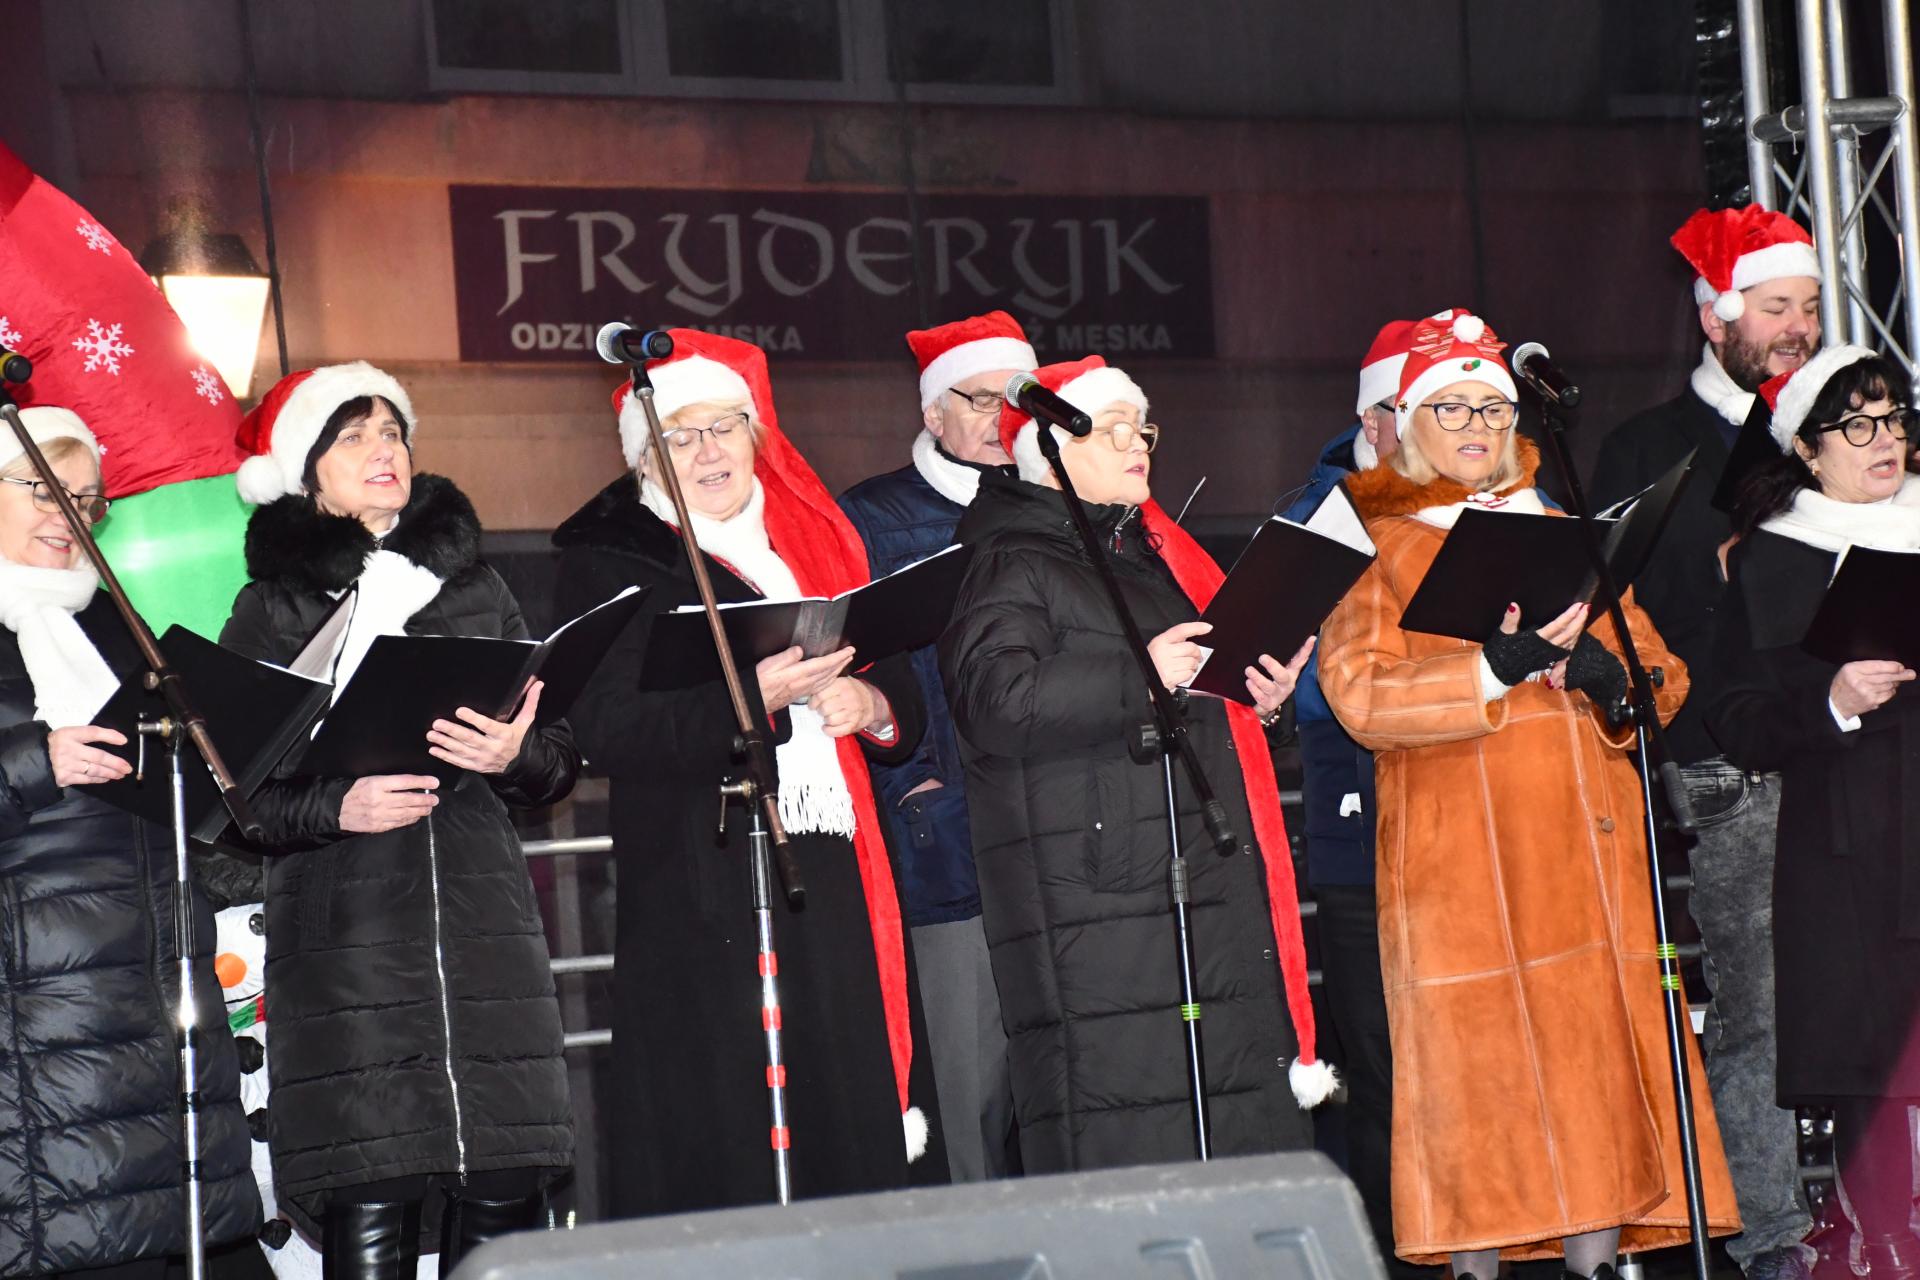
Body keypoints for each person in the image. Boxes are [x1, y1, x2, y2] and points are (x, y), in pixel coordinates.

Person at [1318, 310, 1740, 1279]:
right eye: (1453, 406)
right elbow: (1360, 695)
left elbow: (1662, 678)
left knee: (1593, 1080)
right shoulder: (1374, 542)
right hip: (1459, 869)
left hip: (1584, 858)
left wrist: (1605, 678)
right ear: (1409, 422)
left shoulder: (1565, 531)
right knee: (1479, 1090)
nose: (1477, 424)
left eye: (1493, 407)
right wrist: (1488, 670)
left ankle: (1597, 1268)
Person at [551, 330, 941, 1216]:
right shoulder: (613, 556)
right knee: (724, 1119)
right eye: (681, 436)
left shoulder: (815, 538)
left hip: (828, 860)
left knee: (839, 1089)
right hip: (700, 870)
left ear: (755, 433)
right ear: (645, 456)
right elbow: (603, 727)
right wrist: (746, 702)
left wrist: (872, 706)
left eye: (724, 427)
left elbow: (900, 681)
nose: (708, 451)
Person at [219, 363, 578, 1278]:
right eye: (354, 436)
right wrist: (337, 804)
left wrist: (512, 754)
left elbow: (556, 762)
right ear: (308, 472)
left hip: (484, 929)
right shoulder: (271, 608)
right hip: (350, 933)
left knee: (502, 1182)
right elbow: (235, 796)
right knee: (373, 1182)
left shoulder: (476, 587)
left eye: (393, 432)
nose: (383, 449)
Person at [938, 354, 1330, 1174]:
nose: (1135, 445)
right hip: (1100, 902)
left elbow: (1186, 694)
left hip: (1186, 880)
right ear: (1049, 451)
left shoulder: (1143, 556)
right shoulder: (1011, 558)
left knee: (1226, 1126)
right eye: (1110, 429)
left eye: (1141, 429)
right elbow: (994, 699)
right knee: (1130, 1132)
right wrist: (1141, 674)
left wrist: (1260, 700)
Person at [1590, 205, 1821, 1280]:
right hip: (1725, 754)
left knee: (1873, 985)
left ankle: (1878, 1203)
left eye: (1809, 306)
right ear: (1714, 317)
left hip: (1849, 738)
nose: (1798, 327)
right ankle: (1774, 1232)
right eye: (1775, 307)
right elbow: (1609, 610)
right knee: (1759, 1005)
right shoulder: (1646, 448)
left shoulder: (1836, 426)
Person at [0, 407, 262, 1277]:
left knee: (174, 1238)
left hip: (159, 992)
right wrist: (35, 761)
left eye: (86, 499)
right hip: (40, 1019)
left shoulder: (117, 625)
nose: (68, 514)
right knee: (83, 1235)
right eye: (43, 488)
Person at [1707, 347, 1920, 1279]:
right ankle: (1887, 1244)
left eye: (1895, 418)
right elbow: (1737, 717)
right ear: (1806, 446)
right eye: (1857, 425)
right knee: (1871, 1066)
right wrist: (1832, 698)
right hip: (1851, 846)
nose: (1885, 440)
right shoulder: (1774, 556)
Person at [838, 310, 1034, 1183]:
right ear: (931, 412)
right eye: (980, 399)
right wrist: (912, 786)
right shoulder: (872, 518)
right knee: (968, 1096)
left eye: (1017, 399)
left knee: (1063, 1088)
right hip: (945, 836)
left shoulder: (1055, 505)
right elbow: (857, 666)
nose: (1002, 417)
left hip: (1057, 833)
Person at [1279, 316, 1427, 1276]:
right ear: (1372, 421)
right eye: (1414, 412)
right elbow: (1290, 682)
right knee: (1384, 1068)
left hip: (1470, 824)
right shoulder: (1321, 519)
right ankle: (1392, 1255)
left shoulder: (1492, 505)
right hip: (1361, 827)